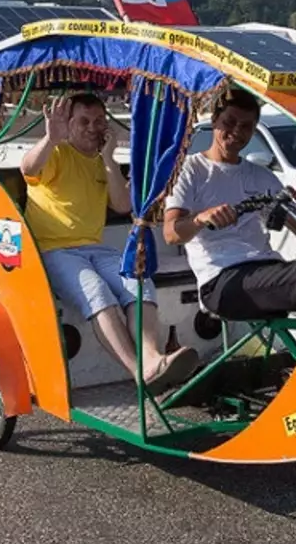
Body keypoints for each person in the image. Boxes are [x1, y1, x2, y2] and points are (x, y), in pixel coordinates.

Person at [21, 92, 198, 392]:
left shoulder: (102, 162)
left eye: (99, 121)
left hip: (93, 247)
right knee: (97, 292)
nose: (93, 127)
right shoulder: (58, 154)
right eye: (84, 122)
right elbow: (28, 168)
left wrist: (108, 159)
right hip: (54, 249)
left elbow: (121, 204)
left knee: (138, 280)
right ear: (70, 124)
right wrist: (51, 139)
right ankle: (139, 371)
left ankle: (152, 357)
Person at [162, 89, 296, 321]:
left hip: (265, 270)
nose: (236, 132)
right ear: (214, 121)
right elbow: (171, 234)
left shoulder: (262, 177)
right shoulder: (190, 169)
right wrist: (201, 218)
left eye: (246, 127)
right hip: (221, 281)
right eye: (229, 123)